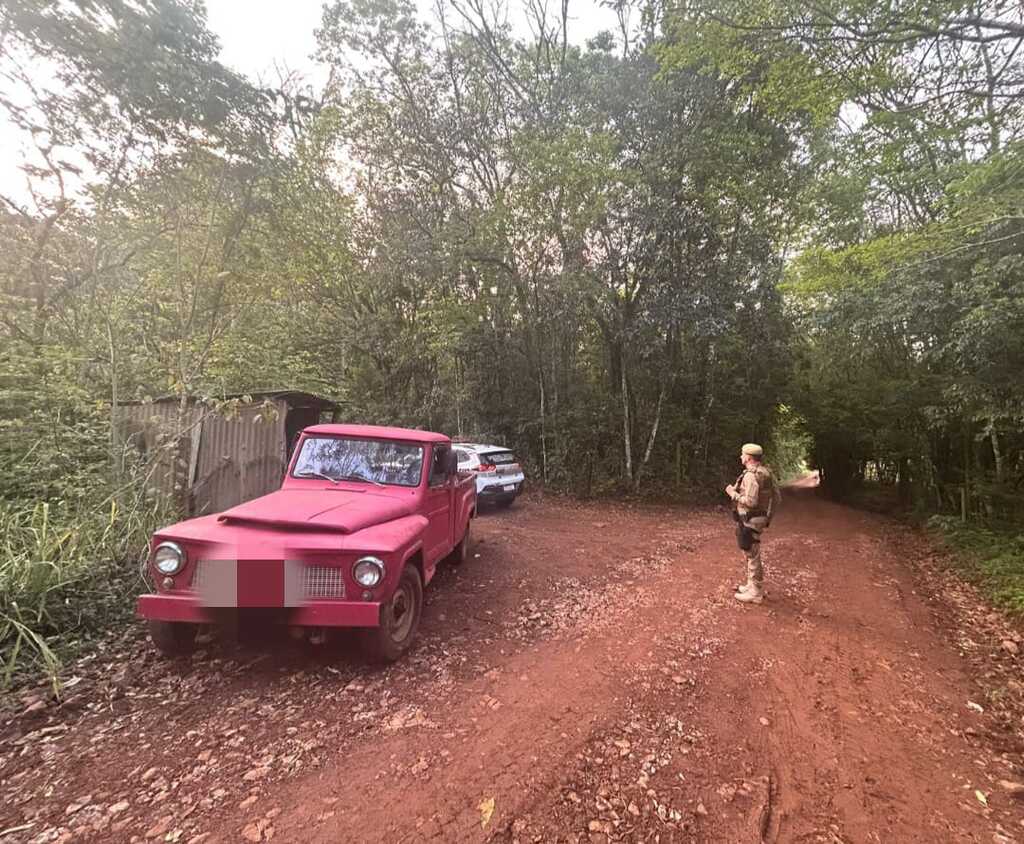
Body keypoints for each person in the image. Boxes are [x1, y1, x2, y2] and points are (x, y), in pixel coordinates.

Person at [724, 443, 781, 604]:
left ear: (748, 458)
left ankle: (755, 591)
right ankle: (751, 585)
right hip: (759, 518)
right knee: (750, 551)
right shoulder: (766, 473)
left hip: (751, 518)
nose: (740, 457)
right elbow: (777, 498)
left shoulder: (750, 475)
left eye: (742, 455)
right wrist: (768, 517)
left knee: (752, 553)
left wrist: (733, 494)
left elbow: (750, 501)